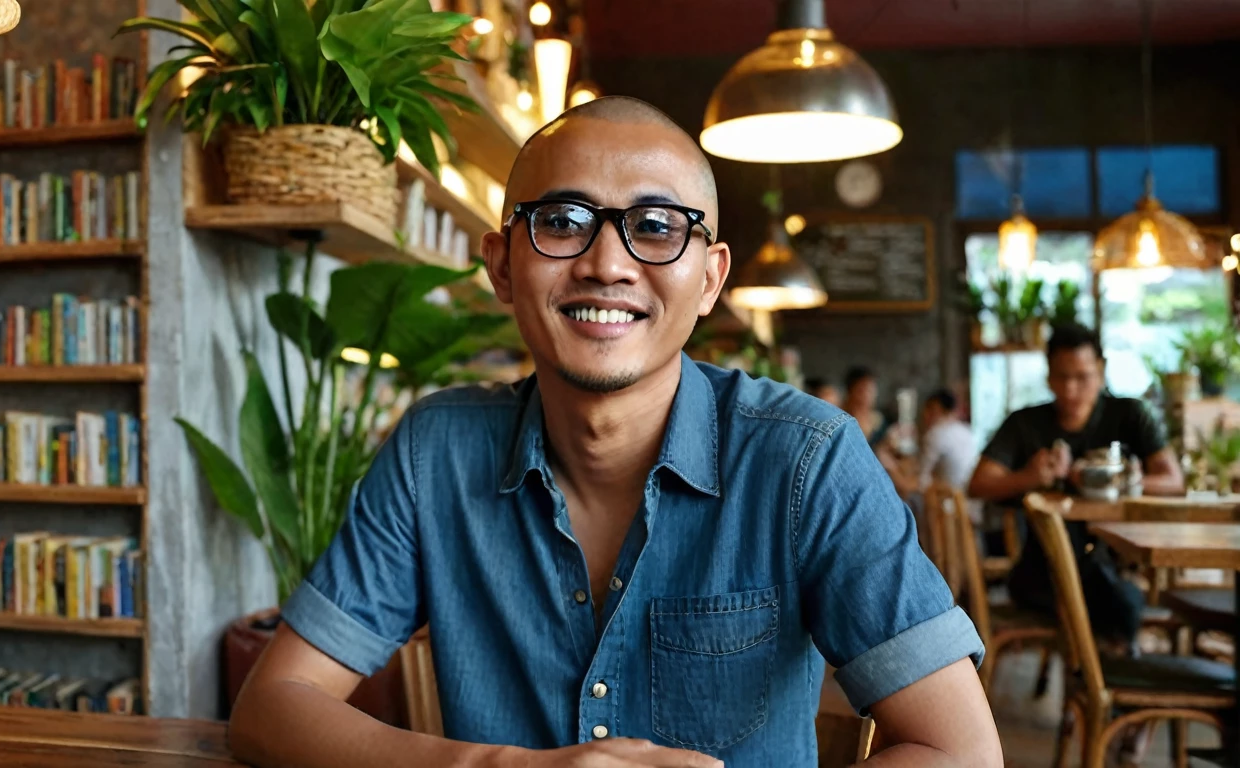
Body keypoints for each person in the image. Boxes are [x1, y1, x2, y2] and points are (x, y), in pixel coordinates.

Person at [229, 97, 1001, 768]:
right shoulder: (436, 453)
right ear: (501, 267)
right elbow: (273, 706)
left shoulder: (806, 462)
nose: (608, 263)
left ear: (709, 277)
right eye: (561, 222)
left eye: (657, 227)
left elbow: (961, 749)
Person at [967, 323, 1184, 644]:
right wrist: (1030, 477)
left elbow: (1174, 481)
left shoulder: (1129, 414)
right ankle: (1107, 666)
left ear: (1101, 370)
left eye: (1082, 377)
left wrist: (1114, 481)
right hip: (1043, 570)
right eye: (1061, 377)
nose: (1070, 390)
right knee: (1116, 601)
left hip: (1116, 559)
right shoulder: (1026, 423)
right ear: (1047, 375)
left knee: (1109, 591)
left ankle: (1091, 672)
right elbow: (978, 485)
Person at [844, 366, 889, 446]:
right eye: (862, 390)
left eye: (871, 390)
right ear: (850, 391)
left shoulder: (878, 421)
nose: (868, 395)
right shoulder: (841, 420)